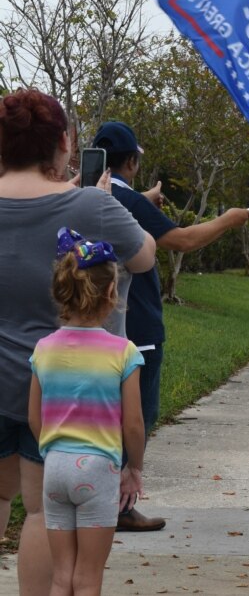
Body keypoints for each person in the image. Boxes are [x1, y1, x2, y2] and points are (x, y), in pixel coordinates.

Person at [0, 89, 156, 596]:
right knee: (41, 510)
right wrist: (106, 206)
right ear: (64, 144)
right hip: (55, 394)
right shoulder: (90, 203)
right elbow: (145, 257)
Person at [92, 121, 249, 532]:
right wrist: (228, 221)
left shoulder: (90, 195)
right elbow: (182, 240)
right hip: (137, 325)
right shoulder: (125, 199)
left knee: (103, 417)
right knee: (139, 414)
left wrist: (145, 201)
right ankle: (121, 506)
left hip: (94, 326)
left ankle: (93, 499)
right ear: (131, 161)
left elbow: (125, 212)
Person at [28, 229, 146, 596]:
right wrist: (134, 468)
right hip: (98, 471)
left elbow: (35, 417)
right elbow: (133, 424)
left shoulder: (44, 349)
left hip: (56, 468)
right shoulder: (123, 352)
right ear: (111, 292)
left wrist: (53, 449)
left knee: (62, 576)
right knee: (88, 577)